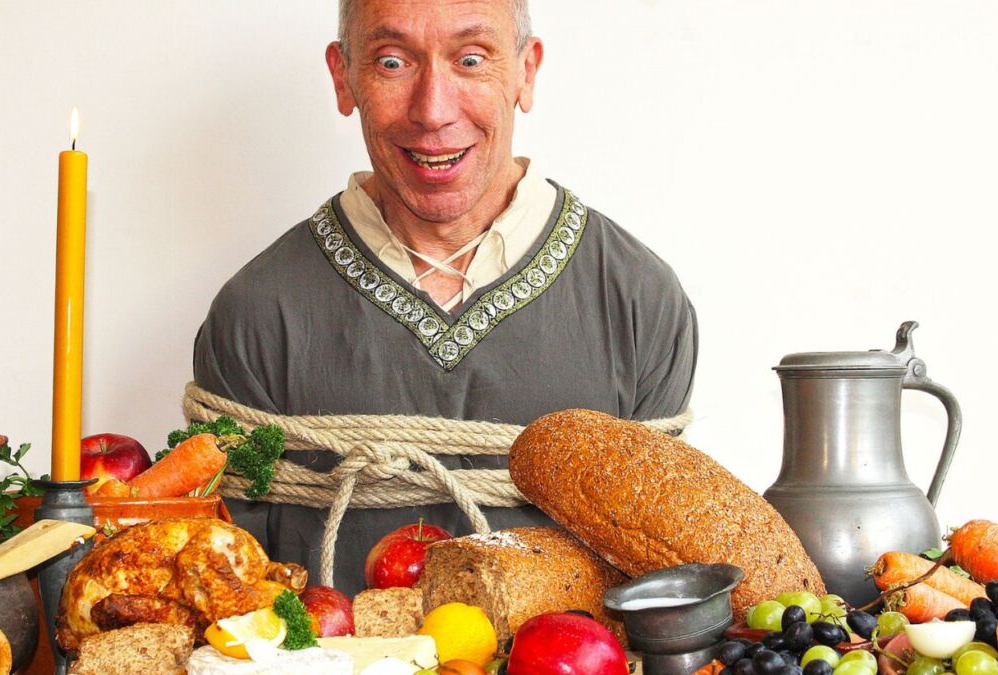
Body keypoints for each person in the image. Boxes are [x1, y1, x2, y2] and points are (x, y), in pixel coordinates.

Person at [191, 0, 697, 595]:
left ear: (526, 72)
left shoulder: (639, 302)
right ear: (343, 76)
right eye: (392, 61)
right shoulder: (256, 314)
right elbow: (229, 600)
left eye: (472, 58)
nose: (432, 111)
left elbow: (664, 581)